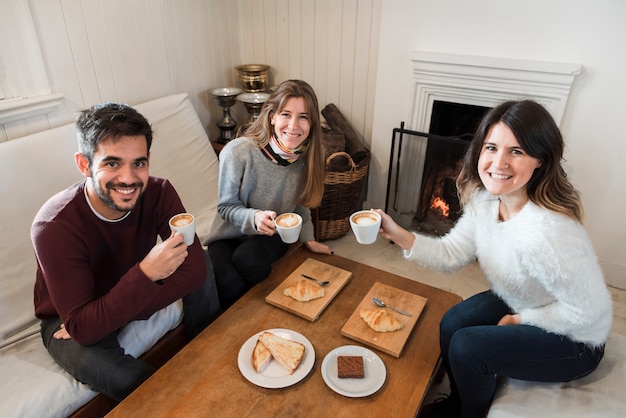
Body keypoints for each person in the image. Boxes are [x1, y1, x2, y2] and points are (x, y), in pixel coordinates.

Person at [374, 100, 612, 418]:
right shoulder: (487, 200)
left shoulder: (550, 232)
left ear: (539, 159)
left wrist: (522, 321)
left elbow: (588, 312)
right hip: (524, 299)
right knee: (453, 323)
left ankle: (471, 414)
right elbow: (451, 254)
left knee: (467, 346)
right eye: (492, 147)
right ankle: (461, 400)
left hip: (574, 339)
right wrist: (396, 233)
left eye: (516, 151)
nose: (498, 163)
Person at [31, 102, 220, 401]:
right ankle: (182, 404)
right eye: (112, 163)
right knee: (115, 373)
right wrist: (145, 275)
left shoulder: (159, 192)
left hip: (126, 292)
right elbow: (81, 326)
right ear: (84, 164)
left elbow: (195, 269)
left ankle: (211, 352)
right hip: (67, 316)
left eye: (139, 163)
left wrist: (123, 304)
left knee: (203, 262)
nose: (129, 178)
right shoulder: (52, 226)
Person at [206, 79, 332, 308]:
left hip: (274, 233)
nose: (293, 125)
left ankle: (271, 312)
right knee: (227, 284)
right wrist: (253, 217)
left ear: (312, 123)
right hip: (228, 234)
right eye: (286, 114)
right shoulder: (238, 152)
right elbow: (225, 207)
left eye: (303, 116)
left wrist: (309, 238)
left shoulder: (312, 157)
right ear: (272, 116)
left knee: (247, 260)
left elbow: (302, 204)